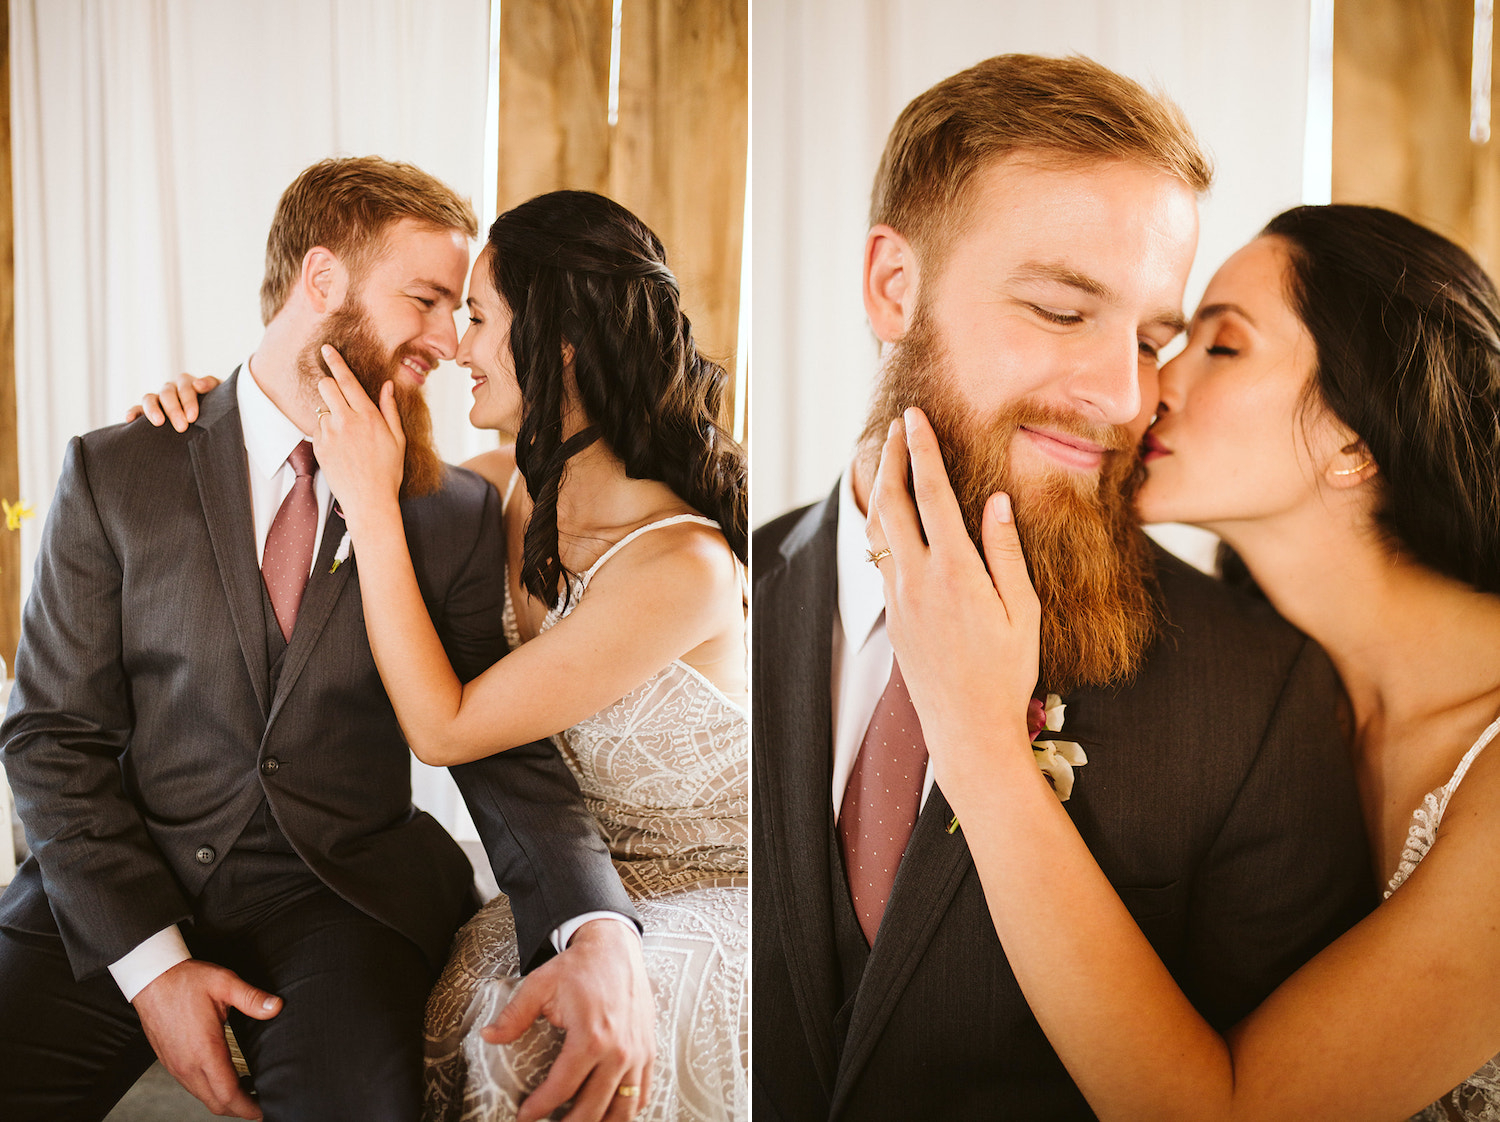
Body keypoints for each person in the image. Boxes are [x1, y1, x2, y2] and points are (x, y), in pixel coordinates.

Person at [751, 53, 1377, 1120]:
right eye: (1057, 310)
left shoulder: (1260, 696)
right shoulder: (740, 590)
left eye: (1149, 338)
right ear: (893, 287)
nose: (1124, 396)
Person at [0, 157, 654, 1122]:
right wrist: (153, 970)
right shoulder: (117, 471)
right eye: (427, 299)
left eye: (461, 309)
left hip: (342, 908)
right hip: (109, 897)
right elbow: (51, 739)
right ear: (322, 281)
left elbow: (500, 743)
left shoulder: (455, 511)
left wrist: (596, 926)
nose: (447, 337)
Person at [865, 204, 1500, 1121]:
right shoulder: (1251, 688)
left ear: (1356, 438)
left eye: (1223, 348)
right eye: (1171, 342)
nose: (1145, 391)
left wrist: (981, 747)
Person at [142, 190, 749, 1122]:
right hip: (564, 876)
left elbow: (443, 727)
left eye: (478, 316)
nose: (457, 346)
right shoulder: (494, 495)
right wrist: (211, 418)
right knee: (470, 1019)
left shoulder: (683, 567)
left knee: (552, 1046)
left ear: (561, 343)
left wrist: (376, 511)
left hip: (708, 891)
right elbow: (302, 468)